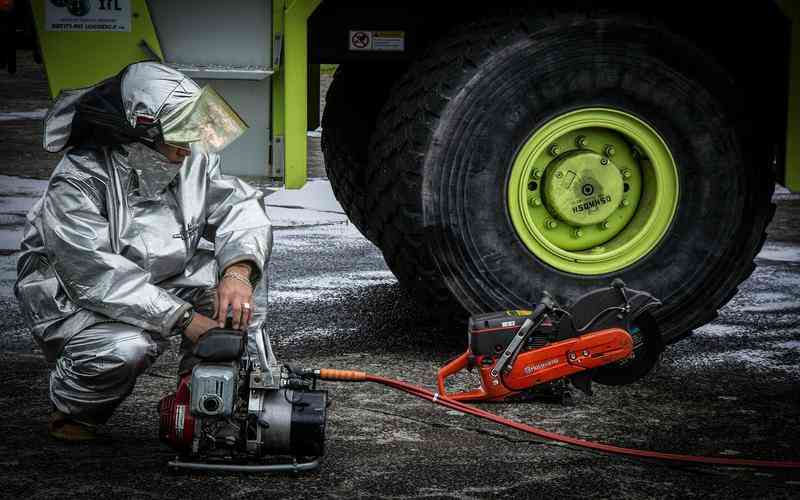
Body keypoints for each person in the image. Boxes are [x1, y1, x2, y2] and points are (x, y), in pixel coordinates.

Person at [13, 61, 272, 441]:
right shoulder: (77, 182)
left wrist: (238, 272)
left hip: (160, 277)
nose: (191, 143)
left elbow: (240, 206)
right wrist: (185, 319)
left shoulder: (189, 156)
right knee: (124, 348)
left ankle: (203, 399)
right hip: (76, 299)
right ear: (143, 130)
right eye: (180, 132)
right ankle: (74, 411)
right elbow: (95, 277)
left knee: (239, 297)